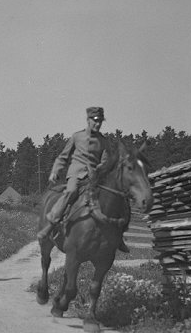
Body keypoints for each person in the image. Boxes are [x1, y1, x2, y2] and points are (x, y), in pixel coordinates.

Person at [36, 106, 129, 253]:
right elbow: (63, 156)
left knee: (114, 198)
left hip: (96, 178)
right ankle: (51, 224)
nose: (97, 124)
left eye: (100, 122)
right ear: (88, 120)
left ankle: (118, 236)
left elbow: (105, 161)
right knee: (71, 191)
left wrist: (98, 169)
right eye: (95, 121)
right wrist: (55, 171)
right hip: (76, 175)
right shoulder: (76, 137)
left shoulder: (104, 142)